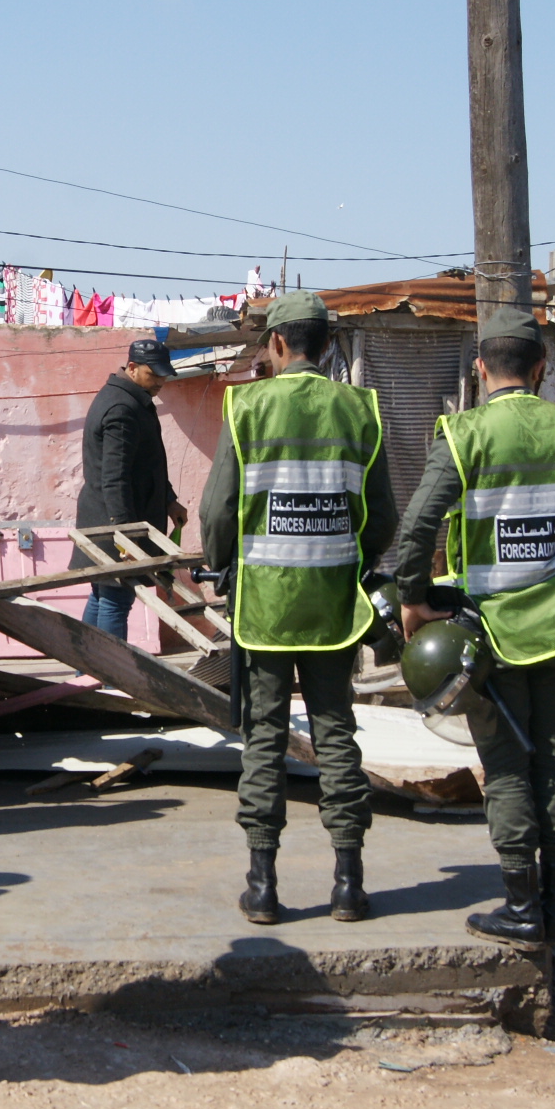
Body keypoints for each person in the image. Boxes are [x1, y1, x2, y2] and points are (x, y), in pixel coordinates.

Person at [396, 296, 555, 948]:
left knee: (509, 768)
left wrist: (415, 597)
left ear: (481, 368)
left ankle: (519, 908)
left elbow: (416, 531)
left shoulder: (464, 435)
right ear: (542, 368)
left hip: (491, 634)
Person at [201, 293, 395, 924]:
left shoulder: (246, 406)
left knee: (264, 737)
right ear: (329, 346)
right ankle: (348, 884)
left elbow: (217, 512)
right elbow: (382, 517)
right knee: (336, 734)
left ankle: (262, 887)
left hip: (264, 608)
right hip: (335, 606)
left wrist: (224, 567)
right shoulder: (359, 410)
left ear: (278, 346)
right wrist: (353, 566)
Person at [73, 339, 188, 637]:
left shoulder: (132, 399)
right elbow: (115, 478)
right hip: (115, 523)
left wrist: (169, 500)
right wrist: (127, 537)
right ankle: (111, 678)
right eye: (155, 374)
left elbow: (146, 463)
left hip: (106, 520)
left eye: (165, 375)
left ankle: (88, 674)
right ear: (133, 368)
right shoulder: (122, 407)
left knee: (103, 596)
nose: (161, 381)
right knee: (115, 599)